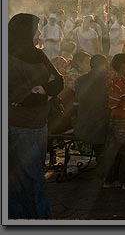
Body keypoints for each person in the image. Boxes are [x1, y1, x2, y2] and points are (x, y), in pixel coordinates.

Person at [8, 13, 64, 219]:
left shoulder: (39, 55)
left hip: (37, 125)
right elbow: (15, 95)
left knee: (28, 177)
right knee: (27, 179)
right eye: (36, 29)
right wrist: (44, 94)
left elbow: (59, 82)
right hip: (17, 125)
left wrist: (40, 91)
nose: (39, 33)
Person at [100, 53, 125, 190]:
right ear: (122, 66)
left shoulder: (115, 82)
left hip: (118, 119)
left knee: (116, 150)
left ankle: (110, 180)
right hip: (122, 120)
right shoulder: (119, 84)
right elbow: (114, 103)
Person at [74, 54, 111, 164]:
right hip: (102, 127)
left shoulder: (80, 80)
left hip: (83, 125)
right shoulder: (109, 80)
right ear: (104, 65)